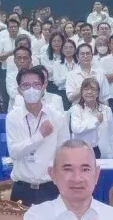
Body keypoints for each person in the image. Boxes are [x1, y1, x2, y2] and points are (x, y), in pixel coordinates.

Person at [7, 67, 69, 206]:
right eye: (26, 85)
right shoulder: (13, 117)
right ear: (19, 90)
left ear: (43, 87)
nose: (31, 90)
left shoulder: (57, 117)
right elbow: (14, 153)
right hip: (22, 188)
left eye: (36, 85)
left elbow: (64, 154)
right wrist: (40, 136)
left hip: (50, 187)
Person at [69, 78, 113, 159]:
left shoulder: (106, 109)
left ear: (98, 93)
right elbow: (76, 128)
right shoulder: (76, 109)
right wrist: (95, 121)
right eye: (86, 89)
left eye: (93, 89)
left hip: (105, 154)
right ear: (81, 92)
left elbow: (111, 134)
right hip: (82, 153)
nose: (89, 92)